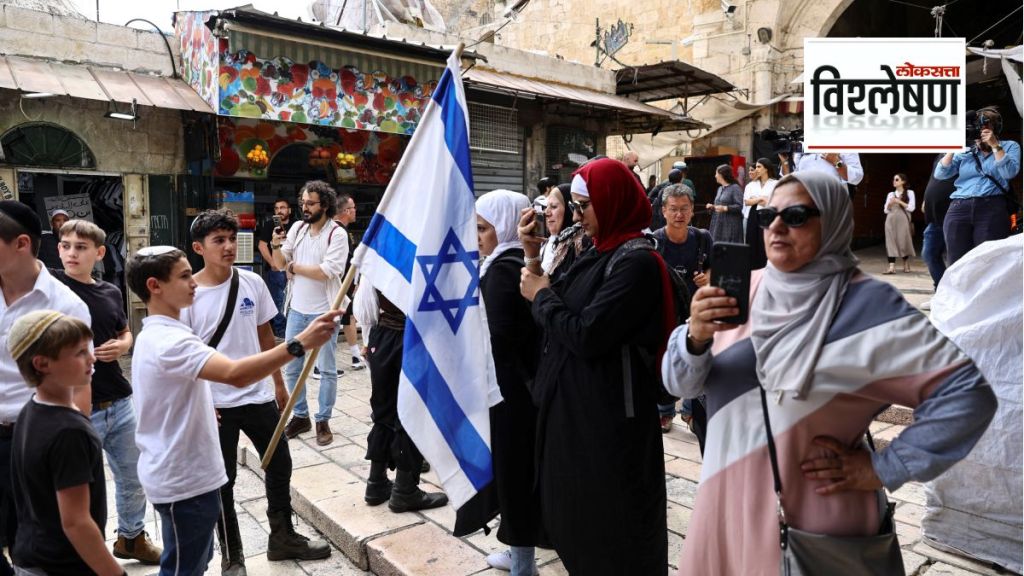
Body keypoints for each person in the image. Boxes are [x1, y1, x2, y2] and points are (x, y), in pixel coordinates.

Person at [662, 171, 997, 574]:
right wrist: (695, 338)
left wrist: (884, 467)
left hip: (815, 524)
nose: (777, 227)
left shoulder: (869, 305)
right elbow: (680, 383)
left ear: (834, 219)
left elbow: (967, 394)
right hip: (726, 504)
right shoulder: (743, 289)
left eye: (798, 216)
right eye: (769, 216)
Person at [126, 245, 339, 576]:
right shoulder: (169, 342)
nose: (193, 282)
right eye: (184, 276)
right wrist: (299, 343)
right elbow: (234, 374)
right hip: (184, 481)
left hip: (190, 474)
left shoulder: (166, 333)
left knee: (195, 560)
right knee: (183, 566)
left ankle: (281, 536)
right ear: (155, 286)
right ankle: (234, 556)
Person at [519, 158, 673, 575]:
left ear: (612, 201)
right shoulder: (598, 252)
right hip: (576, 414)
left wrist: (542, 297)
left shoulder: (635, 263)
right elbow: (552, 298)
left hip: (607, 423)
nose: (577, 214)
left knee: (611, 533)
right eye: (575, 205)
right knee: (576, 522)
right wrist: (533, 257)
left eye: (586, 205)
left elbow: (586, 334)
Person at [181, 211, 331, 576]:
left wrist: (278, 385)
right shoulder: (188, 295)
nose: (229, 247)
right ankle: (232, 557)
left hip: (258, 396)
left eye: (232, 239)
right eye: (219, 241)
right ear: (199, 248)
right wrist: (199, 403)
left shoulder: (252, 283)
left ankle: (282, 537)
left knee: (280, 464)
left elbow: (266, 339)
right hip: (215, 403)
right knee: (223, 481)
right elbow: (185, 357)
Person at [55, 219, 161, 565]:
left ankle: (131, 538)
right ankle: (85, 553)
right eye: (66, 245)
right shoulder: (51, 290)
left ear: (99, 253)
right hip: (74, 406)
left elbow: (126, 331)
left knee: (133, 476)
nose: (72, 253)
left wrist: (123, 345)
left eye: (81, 247)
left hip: (118, 399)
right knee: (82, 488)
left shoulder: (110, 291)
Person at [0, 200, 90, 576]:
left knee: (37, 546)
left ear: (21, 244)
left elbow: (82, 390)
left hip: (33, 440)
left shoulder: (64, 305)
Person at [7, 311, 124, 576]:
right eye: (80, 352)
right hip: (63, 566)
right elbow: (76, 522)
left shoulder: (30, 411)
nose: (92, 358)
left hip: (31, 556)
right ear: (42, 364)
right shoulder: (69, 432)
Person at [470, 190, 543, 576]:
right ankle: (518, 554)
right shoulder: (507, 263)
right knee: (515, 473)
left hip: (511, 392)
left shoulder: (503, 271)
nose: (477, 236)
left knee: (514, 476)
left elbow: (496, 337)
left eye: (483, 228)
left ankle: (523, 564)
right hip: (515, 389)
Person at [353, 283, 448, 514]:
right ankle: (404, 490)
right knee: (410, 414)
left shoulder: (385, 252)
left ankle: (376, 482)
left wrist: (368, 339)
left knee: (384, 411)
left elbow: (364, 307)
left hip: (383, 336)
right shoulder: (416, 250)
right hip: (411, 338)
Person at [271, 180, 348, 446]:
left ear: (324, 205)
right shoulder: (297, 229)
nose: (304, 207)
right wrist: (275, 246)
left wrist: (294, 267)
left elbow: (328, 270)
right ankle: (301, 415)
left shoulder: (336, 234)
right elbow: (279, 264)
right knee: (292, 368)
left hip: (324, 312)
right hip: (297, 310)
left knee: (326, 369)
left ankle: (323, 419)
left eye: (310, 203)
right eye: (302, 202)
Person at [651, 184, 712, 436]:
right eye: (673, 209)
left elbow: (714, 266)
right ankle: (665, 411)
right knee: (667, 356)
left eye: (684, 209)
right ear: (664, 211)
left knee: (697, 356)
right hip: (666, 308)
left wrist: (708, 277)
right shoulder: (655, 240)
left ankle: (689, 409)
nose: (679, 214)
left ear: (692, 211)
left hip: (695, 309)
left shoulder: (702, 237)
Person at [935, 106, 1021, 265]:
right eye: (975, 129)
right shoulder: (967, 150)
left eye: (983, 128)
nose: (978, 133)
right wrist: (953, 147)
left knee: (987, 261)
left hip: (991, 207)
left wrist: (995, 145)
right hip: (959, 207)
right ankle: (959, 290)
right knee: (956, 261)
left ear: (995, 129)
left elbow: (1009, 173)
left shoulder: (1010, 146)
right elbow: (940, 173)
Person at [527, 183, 590, 283]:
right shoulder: (546, 241)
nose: (546, 213)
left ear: (570, 210)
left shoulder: (581, 245)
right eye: (546, 207)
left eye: (554, 207)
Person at [332, 193, 366, 372]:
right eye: (353, 208)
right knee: (333, 322)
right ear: (345, 211)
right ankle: (319, 366)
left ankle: (355, 356)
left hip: (344, 284)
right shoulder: (337, 232)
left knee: (348, 318)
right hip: (338, 285)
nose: (355, 211)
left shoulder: (340, 231)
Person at [920, 155, 957, 310]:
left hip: (954, 215)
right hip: (934, 218)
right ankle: (941, 294)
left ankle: (954, 298)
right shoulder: (940, 155)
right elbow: (934, 178)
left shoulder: (967, 152)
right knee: (928, 254)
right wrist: (926, 199)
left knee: (954, 259)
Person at [257, 199, 293, 338]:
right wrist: (273, 263)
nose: (279, 210)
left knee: (292, 300)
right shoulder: (270, 224)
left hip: (292, 269)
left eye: (283, 207)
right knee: (279, 301)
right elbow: (262, 245)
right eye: (277, 208)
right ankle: (281, 333)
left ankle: (291, 331)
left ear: (289, 210)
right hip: (276, 271)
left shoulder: (296, 225)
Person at [743, 158, 776, 270]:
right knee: (751, 241)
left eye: (759, 167)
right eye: (756, 167)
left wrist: (756, 199)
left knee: (765, 241)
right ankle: (752, 269)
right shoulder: (751, 185)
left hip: (768, 215)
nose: (756, 169)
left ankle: (766, 268)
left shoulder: (775, 183)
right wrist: (761, 198)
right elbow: (747, 202)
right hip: (753, 214)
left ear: (766, 168)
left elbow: (774, 201)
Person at [883, 173, 916, 274]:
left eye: (897, 179)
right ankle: (891, 267)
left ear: (903, 181)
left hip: (903, 221)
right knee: (890, 242)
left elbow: (912, 208)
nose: (894, 181)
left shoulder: (910, 193)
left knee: (903, 241)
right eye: (893, 179)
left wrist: (899, 201)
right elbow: (885, 210)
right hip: (890, 220)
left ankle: (906, 263)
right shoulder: (890, 194)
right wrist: (890, 204)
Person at [782, 151, 864, 189]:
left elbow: (857, 177)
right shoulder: (803, 142)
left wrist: (837, 162)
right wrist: (785, 161)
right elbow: (789, 178)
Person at [707, 164, 744, 244]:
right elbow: (719, 205)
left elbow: (740, 206)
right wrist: (713, 207)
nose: (715, 176)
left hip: (730, 225)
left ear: (721, 175)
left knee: (729, 248)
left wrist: (725, 208)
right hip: (718, 225)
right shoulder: (719, 189)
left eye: (716, 173)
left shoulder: (735, 188)